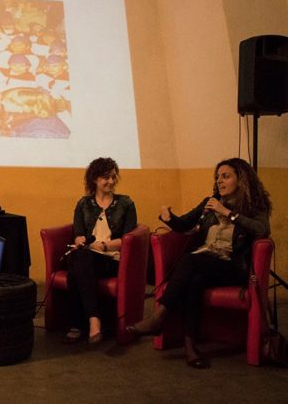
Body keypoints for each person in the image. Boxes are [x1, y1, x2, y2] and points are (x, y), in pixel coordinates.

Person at [127, 158, 271, 369]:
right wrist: (168, 217)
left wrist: (228, 213)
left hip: (232, 266)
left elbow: (262, 230)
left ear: (241, 180)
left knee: (190, 261)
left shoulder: (254, 206)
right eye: (218, 177)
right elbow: (185, 223)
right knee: (194, 281)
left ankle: (159, 317)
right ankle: (190, 346)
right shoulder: (209, 203)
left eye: (226, 176)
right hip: (206, 262)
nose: (219, 181)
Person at [63, 157, 137, 345]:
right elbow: (79, 235)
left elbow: (128, 239)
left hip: (111, 259)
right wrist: (80, 242)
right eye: (106, 177)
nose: (111, 181)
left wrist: (104, 246)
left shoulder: (126, 204)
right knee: (80, 257)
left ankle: (81, 322)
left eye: (113, 177)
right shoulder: (83, 203)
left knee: (75, 269)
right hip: (88, 256)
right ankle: (93, 319)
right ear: (95, 179)